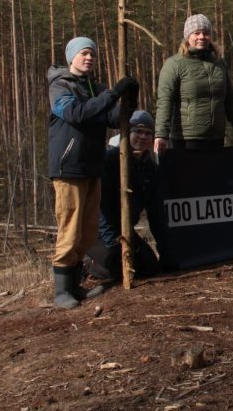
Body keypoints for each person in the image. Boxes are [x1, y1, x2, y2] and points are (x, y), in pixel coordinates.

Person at [48, 36, 137, 308]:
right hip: (69, 167)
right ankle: (61, 291)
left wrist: (129, 99)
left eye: (92, 55)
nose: (89, 58)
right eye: (84, 54)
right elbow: (76, 114)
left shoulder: (95, 88)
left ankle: (75, 287)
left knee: (87, 232)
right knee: (70, 228)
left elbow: (112, 119)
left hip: (92, 167)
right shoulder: (60, 86)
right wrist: (111, 94)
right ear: (72, 57)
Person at [84, 110, 167, 283]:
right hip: (98, 232)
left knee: (150, 267)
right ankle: (86, 263)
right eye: (138, 131)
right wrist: (112, 244)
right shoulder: (110, 160)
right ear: (126, 133)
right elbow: (101, 206)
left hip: (126, 231)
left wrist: (166, 250)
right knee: (116, 269)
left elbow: (156, 213)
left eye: (148, 133)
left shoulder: (152, 170)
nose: (143, 137)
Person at [155, 14, 233, 152]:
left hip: (216, 138)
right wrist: (161, 134)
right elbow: (165, 101)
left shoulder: (220, 64)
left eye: (206, 33)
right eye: (196, 33)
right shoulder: (174, 64)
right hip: (186, 140)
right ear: (188, 36)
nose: (201, 37)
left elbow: (230, 100)